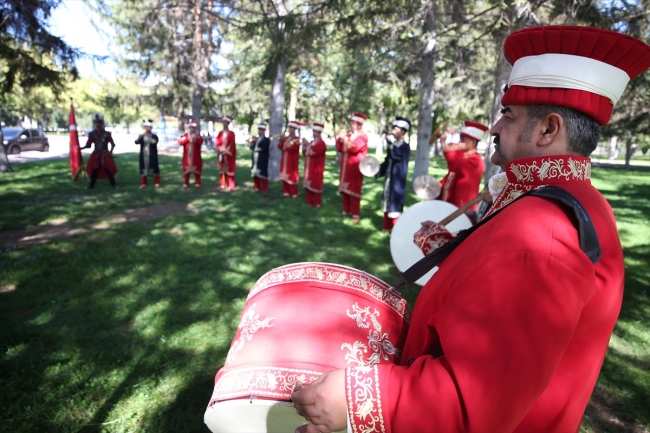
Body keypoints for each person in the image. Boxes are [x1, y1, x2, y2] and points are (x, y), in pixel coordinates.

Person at [292, 25, 650, 433]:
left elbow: (469, 403)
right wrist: (455, 248)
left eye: (508, 117)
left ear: (548, 130)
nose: (495, 129)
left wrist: (354, 395)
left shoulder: (543, 234)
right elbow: (498, 286)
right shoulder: (566, 200)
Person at [438, 120, 487, 220]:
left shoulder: (475, 160)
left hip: (462, 208)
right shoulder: (464, 155)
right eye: (460, 138)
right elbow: (452, 174)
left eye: (463, 139)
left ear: (473, 142)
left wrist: (444, 144)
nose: (460, 142)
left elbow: (454, 165)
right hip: (452, 205)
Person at [377, 116, 411, 231]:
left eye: (395, 128)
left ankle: (396, 229)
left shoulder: (405, 147)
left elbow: (396, 156)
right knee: (387, 200)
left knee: (395, 202)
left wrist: (390, 144)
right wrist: (378, 170)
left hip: (397, 180)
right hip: (389, 178)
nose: (393, 130)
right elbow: (388, 159)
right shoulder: (394, 145)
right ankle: (386, 227)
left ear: (402, 131)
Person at [336, 113, 368, 222]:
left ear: (359, 125)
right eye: (351, 123)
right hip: (345, 165)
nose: (351, 125)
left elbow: (354, 148)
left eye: (354, 123)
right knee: (344, 189)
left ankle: (355, 213)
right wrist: (339, 140)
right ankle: (346, 210)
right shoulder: (349, 136)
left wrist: (344, 139)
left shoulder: (363, 136)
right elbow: (341, 149)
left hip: (355, 167)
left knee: (354, 189)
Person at [82, 113, 118, 189]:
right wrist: (80, 148)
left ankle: (113, 185)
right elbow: (88, 145)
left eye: (99, 122)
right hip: (96, 154)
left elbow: (113, 144)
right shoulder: (92, 134)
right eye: (96, 122)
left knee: (108, 169)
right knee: (94, 169)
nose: (97, 124)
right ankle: (91, 185)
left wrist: (110, 152)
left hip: (105, 154)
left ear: (102, 123)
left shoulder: (107, 134)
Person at [302, 122, 327, 208]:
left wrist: (306, 145)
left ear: (319, 132)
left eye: (315, 131)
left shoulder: (322, 143)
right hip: (309, 166)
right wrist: (304, 146)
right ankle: (309, 201)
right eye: (313, 131)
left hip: (316, 167)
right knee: (309, 184)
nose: (314, 133)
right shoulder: (312, 142)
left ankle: (317, 203)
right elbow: (305, 152)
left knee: (315, 183)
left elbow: (313, 152)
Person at [134, 119, 161, 189]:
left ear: (151, 128)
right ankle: (143, 183)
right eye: (146, 127)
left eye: (148, 127)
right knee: (143, 167)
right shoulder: (141, 135)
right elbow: (136, 142)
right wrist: (140, 137)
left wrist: (149, 137)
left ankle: (157, 182)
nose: (147, 128)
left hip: (152, 154)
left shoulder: (154, 135)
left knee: (154, 167)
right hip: (143, 155)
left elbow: (155, 142)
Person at [278, 120, 301, 198]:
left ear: (294, 129)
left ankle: (294, 193)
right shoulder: (287, 138)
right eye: (289, 128)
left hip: (292, 160)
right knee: (284, 176)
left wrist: (285, 143)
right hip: (285, 160)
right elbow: (280, 147)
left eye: (291, 128)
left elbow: (291, 148)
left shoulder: (297, 139)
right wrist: (281, 140)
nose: (289, 129)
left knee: (292, 177)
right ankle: (286, 191)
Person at [177, 120, 203, 188]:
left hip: (195, 155)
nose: (191, 129)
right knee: (186, 168)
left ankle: (197, 182)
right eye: (190, 128)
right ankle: (186, 183)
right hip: (187, 156)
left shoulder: (198, 135)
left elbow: (200, 141)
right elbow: (180, 142)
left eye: (193, 128)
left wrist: (194, 139)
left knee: (197, 167)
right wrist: (186, 138)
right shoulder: (185, 135)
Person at [215, 115, 237, 191]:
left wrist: (226, 151)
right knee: (222, 169)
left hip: (228, 154)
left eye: (225, 123)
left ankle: (231, 185)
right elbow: (217, 142)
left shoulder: (231, 133)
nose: (224, 124)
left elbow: (232, 144)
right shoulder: (220, 133)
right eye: (223, 122)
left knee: (230, 169)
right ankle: (223, 184)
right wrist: (220, 149)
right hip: (221, 154)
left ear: (228, 124)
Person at [250, 123, 270, 193]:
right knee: (255, 174)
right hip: (255, 159)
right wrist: (252, 142)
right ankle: (257, 187)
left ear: (264, 131)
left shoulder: (266, 139)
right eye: (259, 130)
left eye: (261, 130)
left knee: (263, 175)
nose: (260, 131)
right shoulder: (256, 138)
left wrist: (256, 141)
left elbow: (263, 147)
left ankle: (264, 188)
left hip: (262, 159)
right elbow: (252, 147)